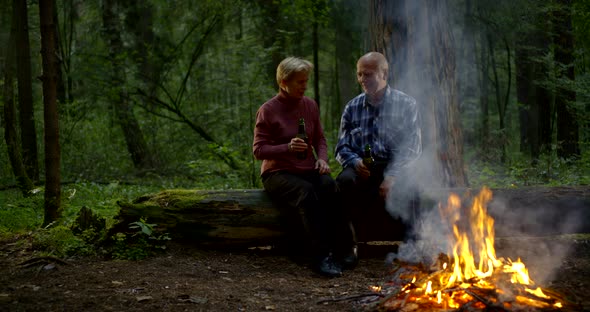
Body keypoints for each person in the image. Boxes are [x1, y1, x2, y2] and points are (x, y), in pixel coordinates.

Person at [253, 57, 343, 278]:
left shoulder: (310, 105)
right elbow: (259, 150)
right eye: (299, 82)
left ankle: (340, 250)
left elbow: (320, 139)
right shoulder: (268, 110)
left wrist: (322, 159)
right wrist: (286, 147)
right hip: (277, 173)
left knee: (329, 186)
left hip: (306, 169)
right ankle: (320, 257)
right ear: (284, 82)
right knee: (307, 193)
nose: (304, 86)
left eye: (306, 81)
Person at [335, 52, 422, 262]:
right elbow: (341, 147)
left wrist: (392, 176)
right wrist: (354, 162)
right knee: (344, 181)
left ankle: (413, 248)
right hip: (362, 165)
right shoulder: (352, 107)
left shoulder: (406, 104)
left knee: (413, 183)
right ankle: (348, 247)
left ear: (384, 73)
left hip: (394, 165)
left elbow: (411, 148)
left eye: (368, 74)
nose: (362, 79)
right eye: (359, 74)